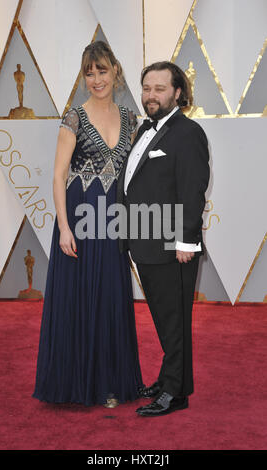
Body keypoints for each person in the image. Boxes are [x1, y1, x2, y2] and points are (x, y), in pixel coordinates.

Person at [33, 41, 143, 408]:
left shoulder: (131, 119)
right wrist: (64, 227)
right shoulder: (73, 118)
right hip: (79, 220)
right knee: (78, 298)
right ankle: (75, 384)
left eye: (102, 70)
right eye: (89, 72)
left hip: (112, 220)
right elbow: (58, 176)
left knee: (111, 296)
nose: (96, 79)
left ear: (116, 71)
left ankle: (110, 381)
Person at [117, 61, 210, 417]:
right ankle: (169, 377)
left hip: (173, 246)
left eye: (159, 88)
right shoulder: (146, 130)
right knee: (163, 318)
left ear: (177, 92)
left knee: (174, 321)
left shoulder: (187, 133)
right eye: (146, 88)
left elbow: (192, 188)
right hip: (146, 241)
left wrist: (186, 241)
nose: (150, 95)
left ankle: (176, 392)